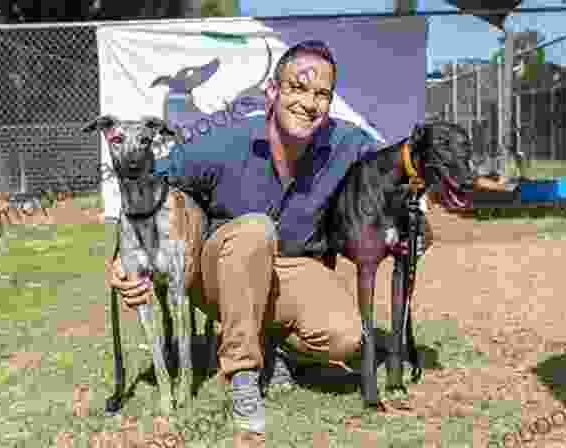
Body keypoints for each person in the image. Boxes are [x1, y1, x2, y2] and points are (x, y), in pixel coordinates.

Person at [107, 40, 426, 447]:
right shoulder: (225, 141)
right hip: (218, 266)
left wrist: (416, 211)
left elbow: (397, 167)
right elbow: (148, 183)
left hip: (292, 267)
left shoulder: (348, 143)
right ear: (273, 92)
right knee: (255, 230)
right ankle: (244, 378)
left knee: (346, 337)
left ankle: (275, 350)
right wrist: (121, 259)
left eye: (321, 94)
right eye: (297, 88)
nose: (309, 103)